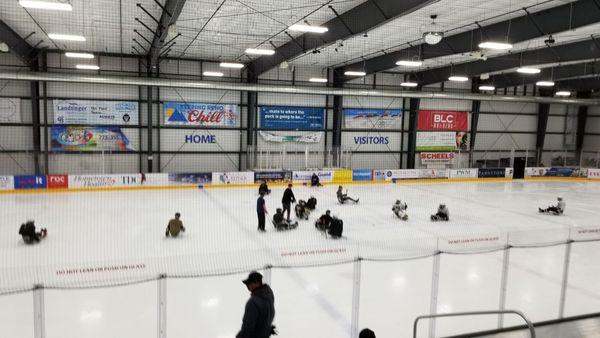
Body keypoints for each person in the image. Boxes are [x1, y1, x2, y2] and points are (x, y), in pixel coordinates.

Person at [237, 271, 276, 338]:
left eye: (249, 283)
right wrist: (266, 329)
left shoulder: (253, 302)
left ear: (257, 283)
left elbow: (248, 326)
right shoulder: (269, 296)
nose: (247, 286)